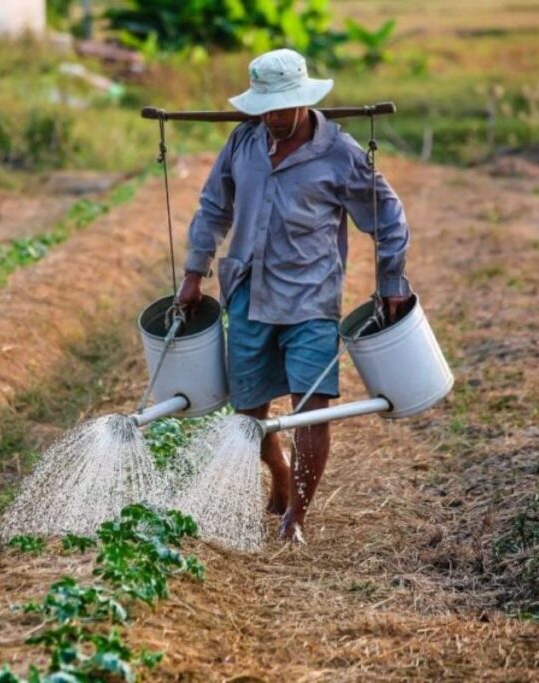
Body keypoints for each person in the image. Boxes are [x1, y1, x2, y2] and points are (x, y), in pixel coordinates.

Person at [176, 48, 412, 543]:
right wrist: (194, 272)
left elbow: (388, 217)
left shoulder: (340, 154)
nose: (275, 118)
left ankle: (295, 518)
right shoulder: (243, 142)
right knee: (249, 414)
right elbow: (213, 207)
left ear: (305, 101)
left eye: (283, 108)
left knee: (312, 407)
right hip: (248, 292)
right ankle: (279, 474)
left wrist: (391, 282)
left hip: (311, 299)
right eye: (266, 108)